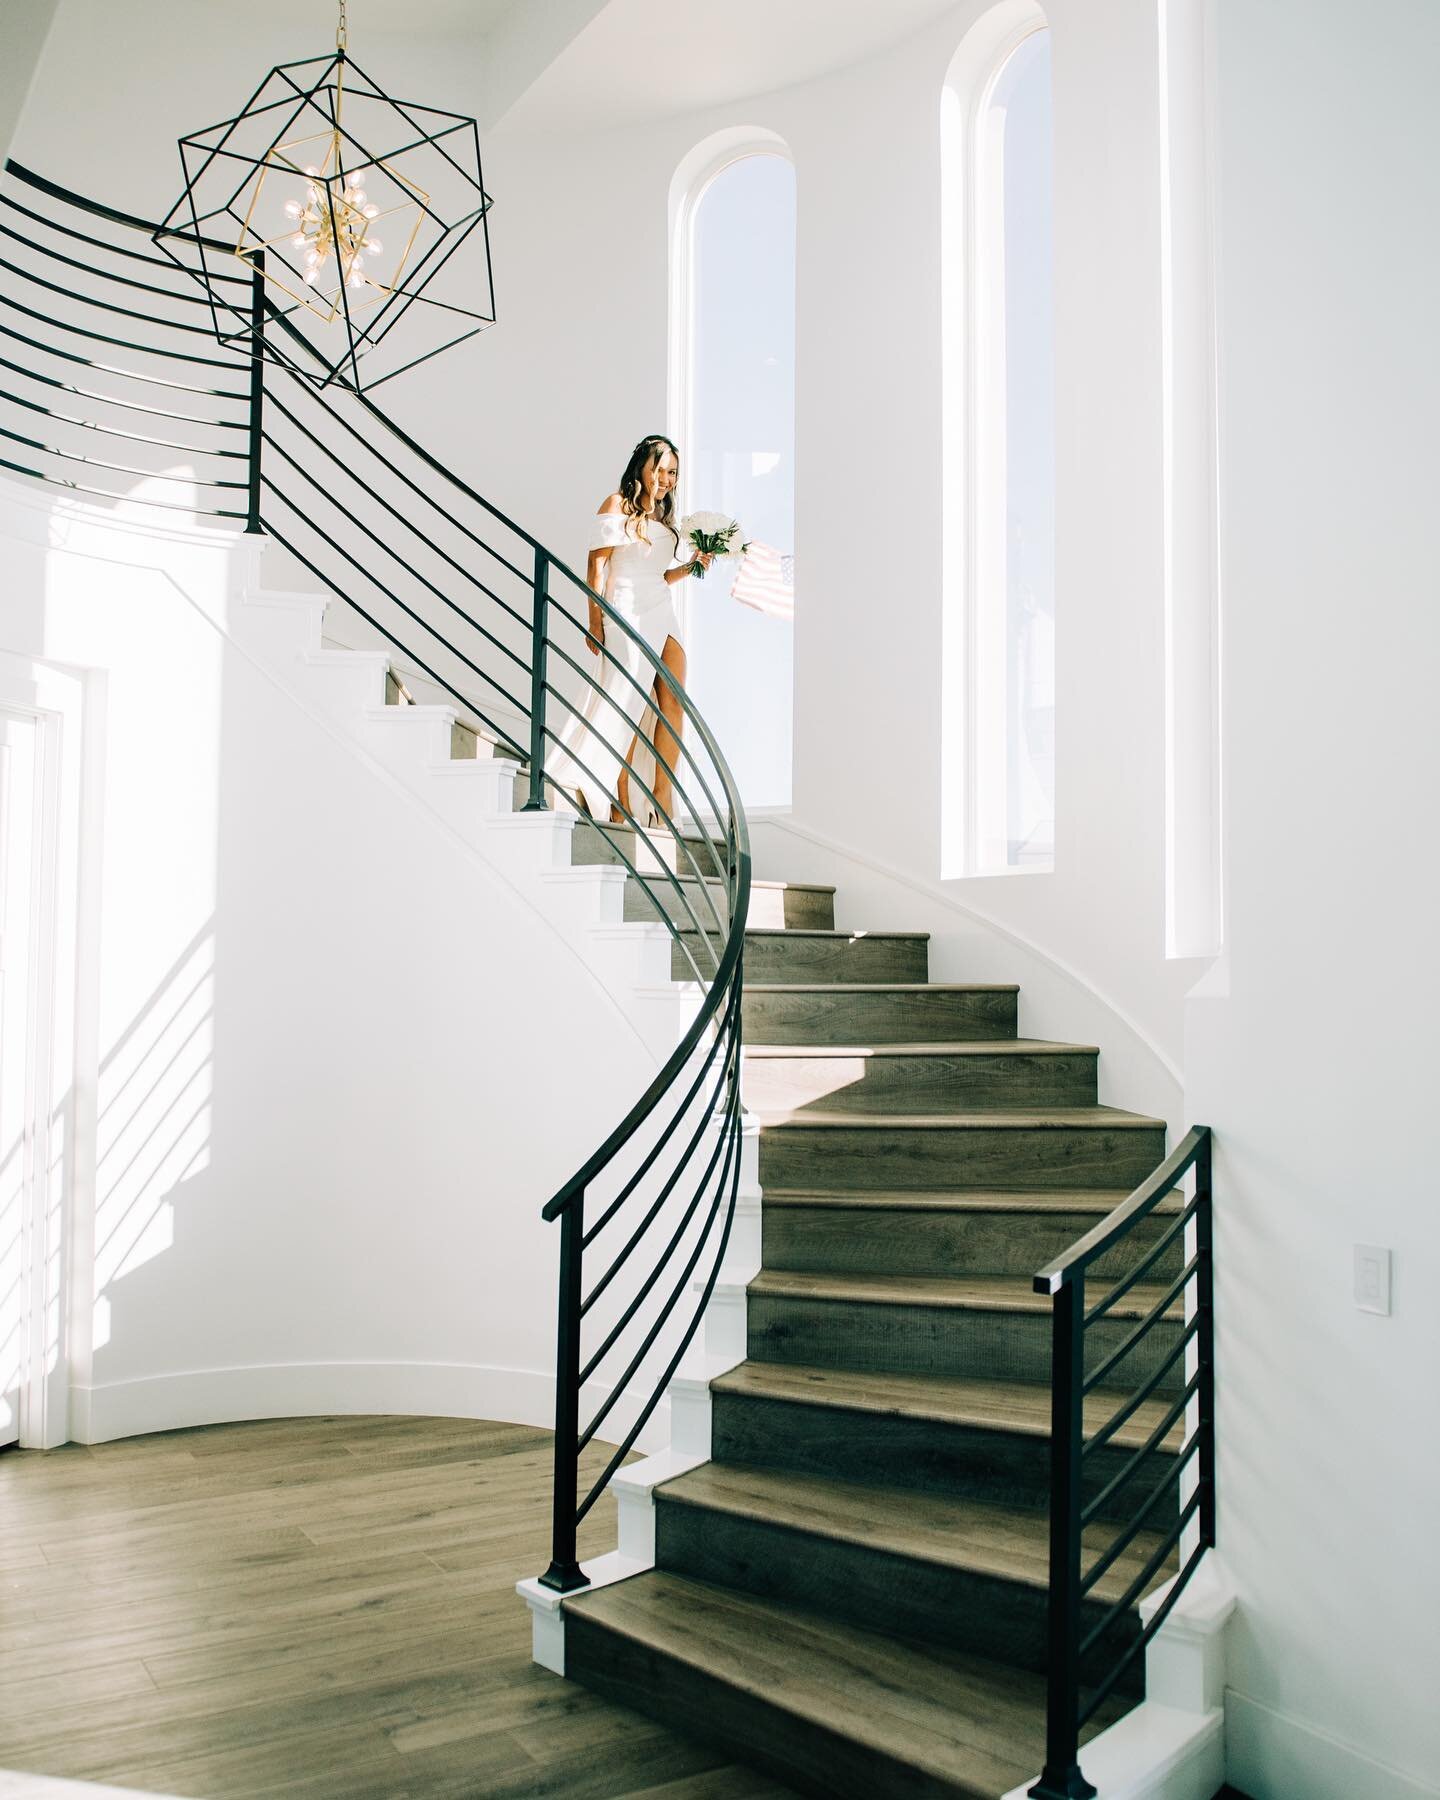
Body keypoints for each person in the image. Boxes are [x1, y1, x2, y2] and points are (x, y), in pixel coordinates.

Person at [547, 434, 711, 826]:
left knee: (673, 700)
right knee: (632, 702)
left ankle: (661, 794)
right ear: (642, 466)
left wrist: (693, 565)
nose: (666, 479)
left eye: (673, 472)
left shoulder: (663, 517)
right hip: (623, 608)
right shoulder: (616, 504)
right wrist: (594, 621)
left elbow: (659, 575)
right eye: (660, 469)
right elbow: (597, 567)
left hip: (660, 607)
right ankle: (619, 792)